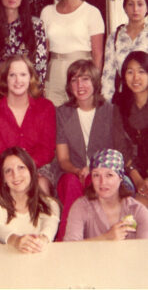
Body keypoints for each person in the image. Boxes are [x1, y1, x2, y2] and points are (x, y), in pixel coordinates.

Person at [56, 60, 113, 240]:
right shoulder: (63, 113)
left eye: (85, 79)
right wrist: (77, 170)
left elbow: (113, 151)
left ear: (95, 82)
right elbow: (63, 159)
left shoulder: (109, 111)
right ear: (69, 85)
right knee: (72, 183)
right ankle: (68, 240)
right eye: (74, 80)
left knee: (95, 181)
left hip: (101, 171)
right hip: (70, 173)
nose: (80, 85)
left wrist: (94, 168)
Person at [0, 55, 55, 195]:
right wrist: (17, 172)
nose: (18, 80)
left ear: (30, 78)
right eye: (12, 75)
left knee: (40, 186)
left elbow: (46, 149)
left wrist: (27, 169)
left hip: (38, 167)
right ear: (5, 79)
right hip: (5, 168)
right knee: (11, 190)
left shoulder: (46, 108)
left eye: (23, 74)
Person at [41, 0, 104, 106]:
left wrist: (93, 82)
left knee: (79, 119)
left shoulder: (92, 13)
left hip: (81, 73)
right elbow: (43, 52)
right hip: (54, 74)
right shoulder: (47, 12)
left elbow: (98, 54)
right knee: (55, 120)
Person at [0, 147, 60, 253]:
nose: (15, 175)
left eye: (21, 168)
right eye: (8, 171)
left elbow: (49, 229)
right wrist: (16, 241)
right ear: (3, 178)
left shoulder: (50, 204)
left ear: (31, 171)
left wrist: (39, 242)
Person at [64, 148, 148, 241]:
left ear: (120, 178)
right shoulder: (81, 207)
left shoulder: (137, 210)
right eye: (96, 175)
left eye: (109, 175)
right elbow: (69, 247)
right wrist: (105, 238)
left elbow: (144, 252)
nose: (102, 182)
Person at [0, 0, 47, 94]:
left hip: (28, 92)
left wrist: (34, 91)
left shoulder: (35, 25)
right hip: (0, 93)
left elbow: (40, 64)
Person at [113, 51, 148, 207]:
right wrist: (138, 179)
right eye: (130, 72)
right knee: (137, 207)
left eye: (141, 71)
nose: (136, 78)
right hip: (130, 170)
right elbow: (119, 145)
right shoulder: (119, 103)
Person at [102, 0, 148, 101]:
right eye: (130, 4)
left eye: (140, 4)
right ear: (125, 8)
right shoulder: (114, 37)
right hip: (124, 99)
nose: (135, 9)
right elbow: (108, 75)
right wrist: (107, 105)